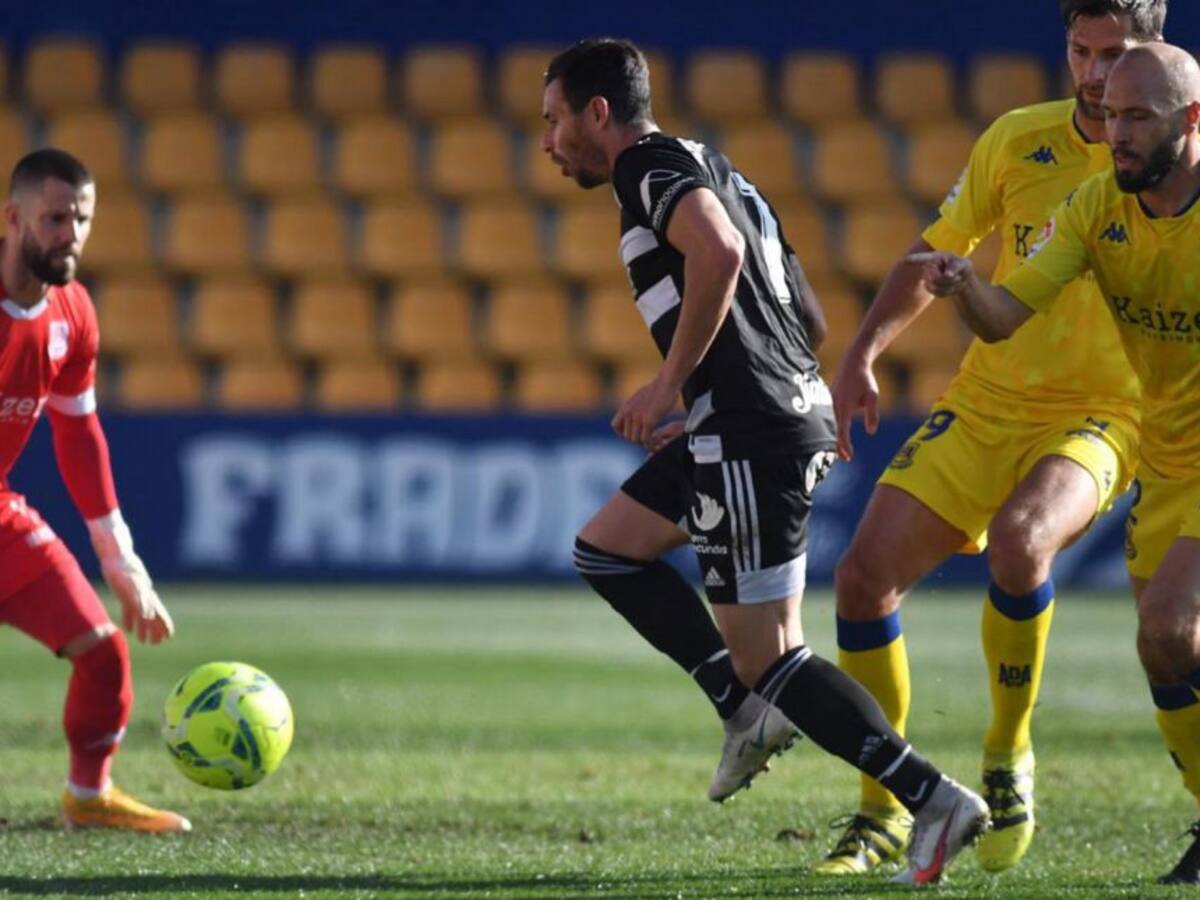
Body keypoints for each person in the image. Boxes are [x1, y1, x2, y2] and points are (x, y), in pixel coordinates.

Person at [543, 37, 988, 884]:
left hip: (752, 433)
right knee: (607, 546)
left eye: (554, 120)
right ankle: (739, 708)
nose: (548, 142)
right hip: (753, 417)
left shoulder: (645, 167)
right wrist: (716, 390)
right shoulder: (723, 168)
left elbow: (719, 252)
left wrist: (675, 384)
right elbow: (809, 317)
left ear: (598, 113)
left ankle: (932, 800)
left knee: (773, 655)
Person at [821, 0, 1164, 875]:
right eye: (1080, 51)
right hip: (988, 401)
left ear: (1152, 56)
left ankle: (1008, 755)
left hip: (1104, 414)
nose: (1093, 74)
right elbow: (937, 249)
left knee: (1020, 542)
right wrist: (862, 354)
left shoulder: (1166, 153)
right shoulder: (1018, 138)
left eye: (1114, 54)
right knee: (860, 581)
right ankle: (884, 811)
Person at [910, 41, 1200, 885]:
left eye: (1138, 117)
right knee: (1165, 655)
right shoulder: (1094, 207)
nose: (1118, 134)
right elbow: (1006, 317)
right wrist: (965, 285)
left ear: (1190, 121)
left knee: (1169, 627)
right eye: (1111, 116)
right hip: (1170, 460)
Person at [0, 149, 188, 833]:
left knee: (103, 653)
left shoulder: (73, 313)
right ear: (14, 217)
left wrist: (118, 556)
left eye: (81, 219)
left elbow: (77, 433)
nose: (69, 234)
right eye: (54, 218)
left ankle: (88, 796)